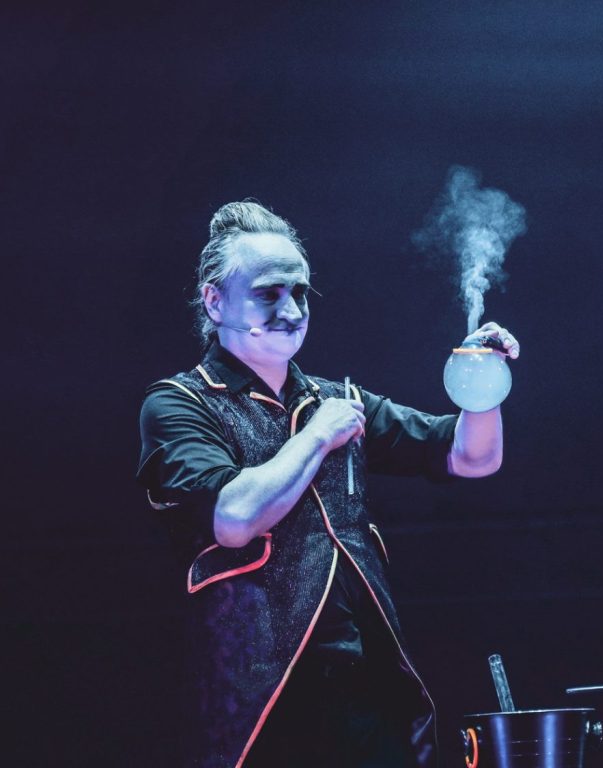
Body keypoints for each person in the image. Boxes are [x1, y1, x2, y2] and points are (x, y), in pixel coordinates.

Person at [137, 201, 519, 768]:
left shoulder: (338, 400)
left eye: (300, 293)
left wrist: (482, 386)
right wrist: (317, 436)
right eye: (269, 292)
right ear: (215, 300)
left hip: (367, 684)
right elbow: (234, 519)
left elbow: (471, 458)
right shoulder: (179, 403)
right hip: (261, 695)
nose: (291, 309)